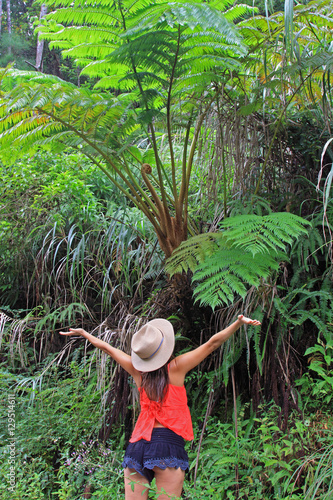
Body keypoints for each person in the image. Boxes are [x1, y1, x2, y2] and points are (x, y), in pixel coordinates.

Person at [60, 314, 261, 499]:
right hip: (167, 444)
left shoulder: (138, 372)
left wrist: (85, 334)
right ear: (165, 348)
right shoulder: (176, 368)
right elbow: (211, 344)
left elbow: (108, 349)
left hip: (137, 445)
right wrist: (238, 323)